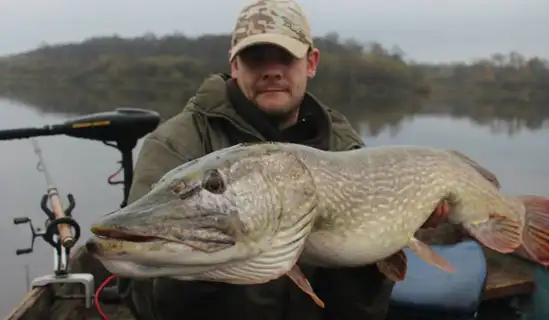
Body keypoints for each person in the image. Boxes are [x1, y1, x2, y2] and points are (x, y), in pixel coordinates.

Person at [117, 0, 448, 319]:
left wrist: (377, 252)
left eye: (285, 57)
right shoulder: (176, 143)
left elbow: (360, 312)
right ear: (234, 65)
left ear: (311, 62)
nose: (272, 71)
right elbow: (142, 300)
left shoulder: (344, 147)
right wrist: (206, 253)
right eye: (255, 58)